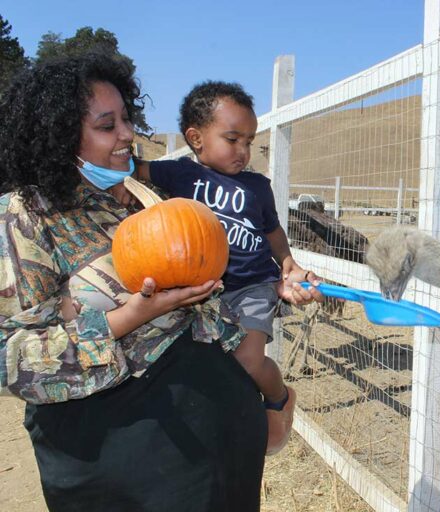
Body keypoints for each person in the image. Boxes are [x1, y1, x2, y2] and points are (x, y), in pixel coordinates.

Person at [0, 53, 320, 511]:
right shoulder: (26, 216)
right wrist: (125, 318)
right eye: (107, 126)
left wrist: (279, 286)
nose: (128, 134)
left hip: (221, 443)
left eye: (126, 120)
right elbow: (6, 356)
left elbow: (215, 288)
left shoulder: (153, 200)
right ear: (57, 134)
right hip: (119, 465)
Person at [133, 81, 317, 454]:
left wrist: (287, 262)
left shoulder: (257, 187)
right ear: (196, 138)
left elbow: (272, 231)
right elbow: (134, 169)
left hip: (253, 286)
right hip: (206, 292)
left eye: (249, 141)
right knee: (213, 367)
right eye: (232, 139)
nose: (243, 151)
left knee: (248, 362)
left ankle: (279, 397)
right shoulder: (179, 175)